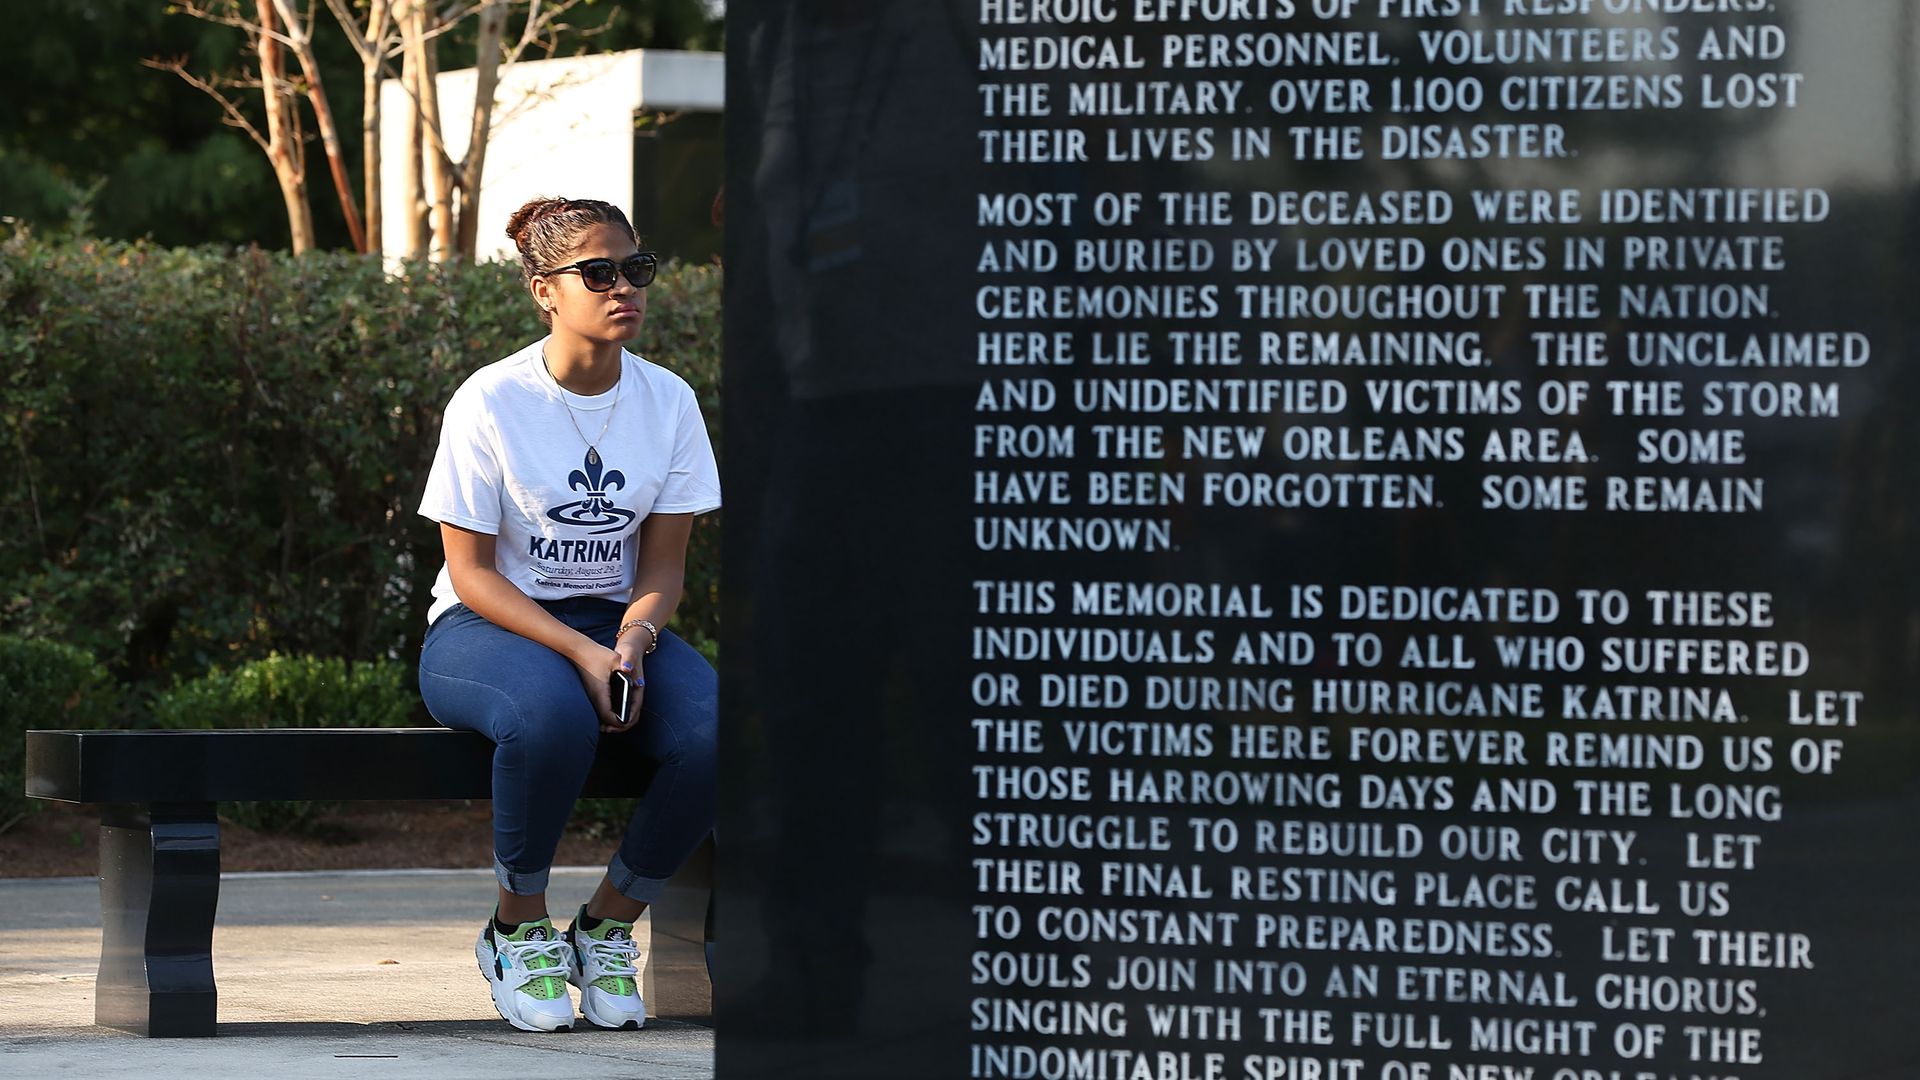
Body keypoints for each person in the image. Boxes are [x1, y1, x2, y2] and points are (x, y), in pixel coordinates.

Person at [415, 196, 720, 1032]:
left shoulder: (669, 403)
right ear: (544, 290)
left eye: (635, 268)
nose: (623, 286)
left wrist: (629, 638)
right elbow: (469, 573)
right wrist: (578, 655)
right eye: (598, 272)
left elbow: (661, 566)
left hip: (613, 625)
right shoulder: (491, 400)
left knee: (718, 734)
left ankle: (609, 923)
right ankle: (516, 927)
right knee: (551, 717)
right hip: (487, 630)